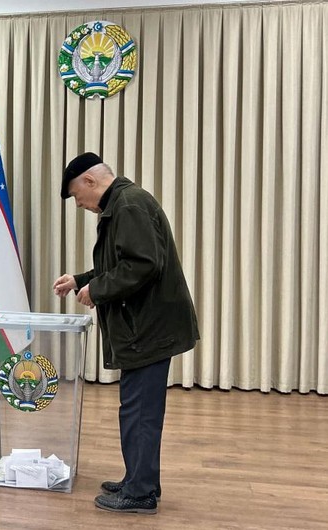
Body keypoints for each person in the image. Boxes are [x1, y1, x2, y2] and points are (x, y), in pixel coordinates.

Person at [53, 152, 199, 515]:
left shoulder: (128, 205)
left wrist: (98, 290)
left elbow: (142, 265)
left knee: (141, 411)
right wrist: (82, 280)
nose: (81, 205)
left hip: (149, 329)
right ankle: (139, 478)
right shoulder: (123, 203)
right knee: (136, 409)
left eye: (77, 196)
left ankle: (140, 493)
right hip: (146, 328)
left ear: (89, 181)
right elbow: (120, 263)